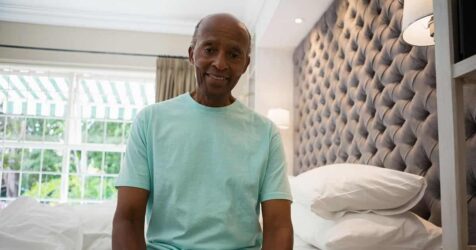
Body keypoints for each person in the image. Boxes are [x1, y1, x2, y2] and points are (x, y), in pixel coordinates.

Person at [112, 13, 293, 250]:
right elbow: (128, 218)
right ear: (192, 54)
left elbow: (279, 226)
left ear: (245, 64)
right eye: (209, 50)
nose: (220, 63)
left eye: (234, 54)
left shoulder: (266, 133)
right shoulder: (150, 121)